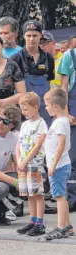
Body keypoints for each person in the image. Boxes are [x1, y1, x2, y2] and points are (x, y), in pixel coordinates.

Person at [11, 20, 55, 127]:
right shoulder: (15, 59)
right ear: (23, 36)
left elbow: (49, 83)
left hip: (44, 110)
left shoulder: (48, 58)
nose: (31, 39)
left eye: (35, 35)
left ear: (40, 35)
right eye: (28, 35)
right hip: (23, 112)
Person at [16, 92, 48, 236]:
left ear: (35, 108)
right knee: (29, 193)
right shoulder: (24, 125)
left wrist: (25, 160)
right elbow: (18, 143)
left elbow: (37, 146)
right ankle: (32, 221)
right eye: (22, 110)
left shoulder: (41, 124)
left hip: (35, 163)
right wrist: (18, 160)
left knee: (37, 193)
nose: (24, 113)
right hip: (23, 164)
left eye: (26, 109)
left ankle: (40, 223)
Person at [43, 89, 74, 239]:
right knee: (62, 195)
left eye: (47, 105)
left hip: (59, 165)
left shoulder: (60, 123)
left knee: (59, 197)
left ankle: (61, 227)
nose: (46, 108)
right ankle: (67, 226)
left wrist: (53, 164)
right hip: (61, 164)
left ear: (55, 107)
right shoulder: (61, 121)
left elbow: (61, 145)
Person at [58, 45, 76, 213]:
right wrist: (66, 112)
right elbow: (64, 87)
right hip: (73, 108)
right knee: (73, 158)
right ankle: (72, 198)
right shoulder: (70, 56)